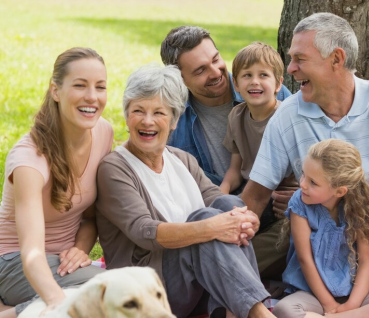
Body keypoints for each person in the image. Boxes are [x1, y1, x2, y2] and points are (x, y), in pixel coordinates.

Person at [242, 12, 369, 296]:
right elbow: (257, 194)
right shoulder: (288, 115)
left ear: (336, 59)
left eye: (300, 58)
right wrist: (228, 237)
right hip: (333, 243)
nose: (291, 68)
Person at [95, 64, 274, 318]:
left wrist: (245, 218)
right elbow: (144, 231)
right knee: (206, 221)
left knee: (228, 207)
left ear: (175, 120)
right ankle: (260, 314)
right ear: (126, 116)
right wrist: (213, 227)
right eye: (138, 111)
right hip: (145, 292)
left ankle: (235, 311)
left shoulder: (181, 159)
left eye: (159, 112)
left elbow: (218, 199)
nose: (147, 121)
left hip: (195, 285)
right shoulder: (114, 168)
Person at [0, 47, 114, 318]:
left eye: (100, 87)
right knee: (111, 294)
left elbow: (89, 218)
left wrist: (79, 248)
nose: (92, 97)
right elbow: (31, 253)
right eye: (79, 85)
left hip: (63, 265)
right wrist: (55, 301)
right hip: (14, 263)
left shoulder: (103, 132)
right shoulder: (29, 160)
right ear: (55, 91)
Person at [272, 139, 369, 318]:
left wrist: (351, 306)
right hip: (312, 294)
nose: (302, 184)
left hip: (352, 293)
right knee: (284, 310)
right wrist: (328, 303)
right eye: (303, 175)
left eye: (313, 182)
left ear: (339, 191)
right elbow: (305, 259)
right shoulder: (299, 202)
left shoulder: (359, 207)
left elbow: (366, 261)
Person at [160, 25, 291, 186]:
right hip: (216, 203)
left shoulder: (270, 92)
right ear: (180, 79)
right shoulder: (173, 119)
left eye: (215, 59)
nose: (215, 72)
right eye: (201, 70)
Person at [221, 41, 298, 280]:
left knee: (249, 257)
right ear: (236, 84)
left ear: (278, 84)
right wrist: (218, 197)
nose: (254, 81)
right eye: (247, 75)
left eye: (263, 75)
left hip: (281, 205)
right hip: (249, 198)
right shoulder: (236, 115)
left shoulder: (288, 117)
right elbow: (235, 169)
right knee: (222, 234)